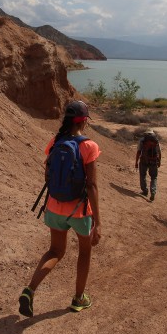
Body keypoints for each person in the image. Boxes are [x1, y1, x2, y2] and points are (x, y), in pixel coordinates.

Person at [19, 100, 102, 317]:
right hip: (80, 210)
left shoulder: (55, 142)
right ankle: (78, 299)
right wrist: (98, 222)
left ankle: (30, 290)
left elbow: (48, 174)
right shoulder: (89, 146)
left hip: (54, 207)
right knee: (84, 252)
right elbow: (92, 185)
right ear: (84, 121)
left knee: (55, 251)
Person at [135, 129, 161, 201]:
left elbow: (138, 152)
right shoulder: (156, 140)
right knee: (154, 177)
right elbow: (159, 152)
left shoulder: (142, 140)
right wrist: (159, 161)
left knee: (142, 175)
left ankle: (145, 191)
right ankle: (153, 191)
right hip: (153, 161)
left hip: (144, 160)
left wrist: (136, 162)